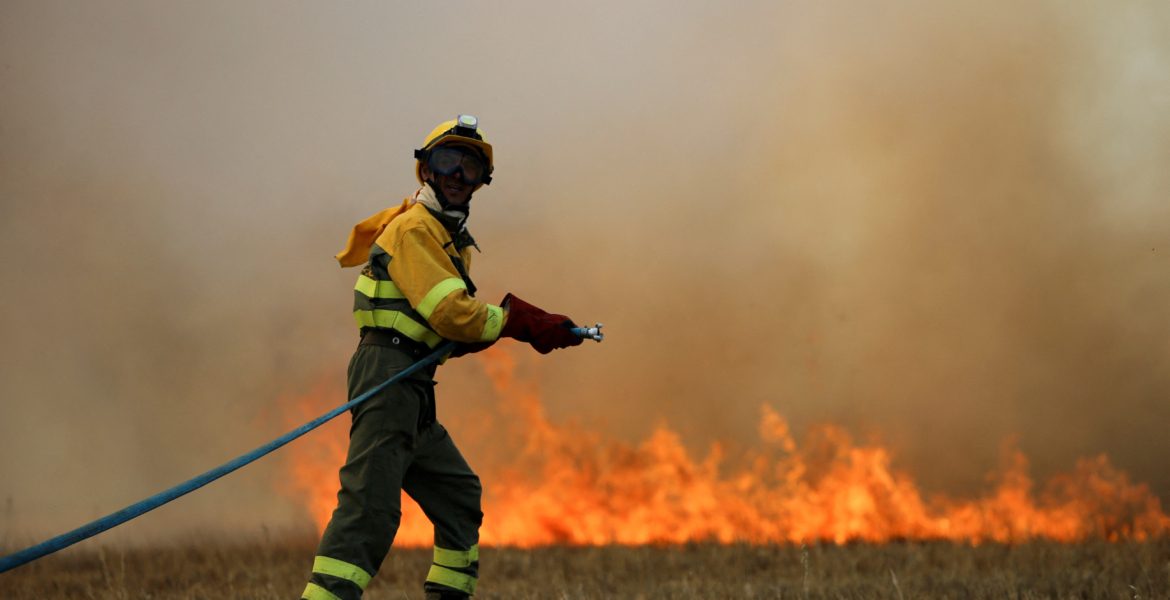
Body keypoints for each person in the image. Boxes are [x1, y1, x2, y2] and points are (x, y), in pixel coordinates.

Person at [301, 115, 583, 600]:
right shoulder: (413, 230)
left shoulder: (445, 239)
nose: (456, 173)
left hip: (413, 385)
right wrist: (518, 321)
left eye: (469, 167)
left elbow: (448, 329)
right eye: (446, 161)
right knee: (370, 510)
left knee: (458, 496)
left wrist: (521, 327)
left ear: (481, 182)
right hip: (387, 377)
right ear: (425, 170)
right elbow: (452, 314)